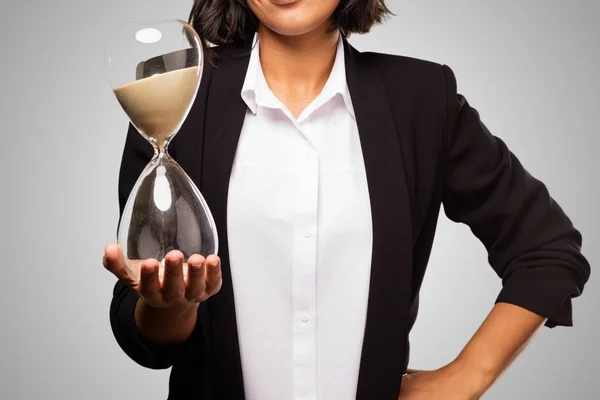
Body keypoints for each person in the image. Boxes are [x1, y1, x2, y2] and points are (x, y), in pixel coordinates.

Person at [103, 1, 591, 399]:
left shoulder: (421, 99)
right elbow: (143, 332)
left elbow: (548, 250)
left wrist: (465, 377)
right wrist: (170, 306)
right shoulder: (174, 90)